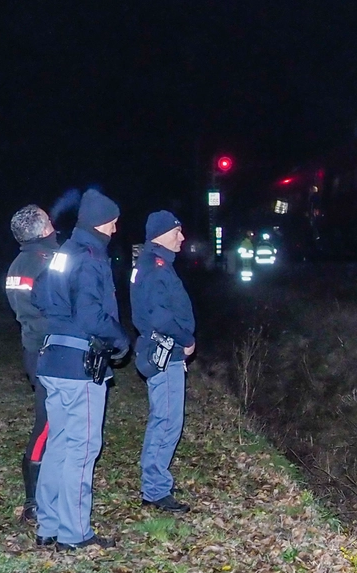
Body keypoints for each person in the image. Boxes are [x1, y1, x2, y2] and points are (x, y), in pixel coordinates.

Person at [31, 189, 130, 551]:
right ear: (103, 222)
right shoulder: (91, 257)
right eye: (114, 222)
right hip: (79, 367)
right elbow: (91, 315)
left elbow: (39, 295)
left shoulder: (63, 254)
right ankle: (75, 534)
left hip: (52, 359)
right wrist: (120, 339)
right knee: (82, 449)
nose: (117, 229)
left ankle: (48, 525)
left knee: (58, 443)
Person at [131, 210, 196, 514]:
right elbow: (159, 315)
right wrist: (185, 339)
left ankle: (157, 480)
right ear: (161, 234)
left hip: (165, 349)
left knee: (166, 418)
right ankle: (155, 489)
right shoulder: (156, 267)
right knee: (167, 420)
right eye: (177, 232)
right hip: (166, 350)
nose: (182, 237)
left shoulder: (154, 263)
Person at [4, 205, 60, 524]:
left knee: (52, 420)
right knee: (47, 422)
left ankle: (45, 490)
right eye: (49, 222)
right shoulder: (46, 262)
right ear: (41, 231)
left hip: (33, 347)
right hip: (46, 349)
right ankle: (33, 500)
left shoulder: (18, 263)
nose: (54, 226)